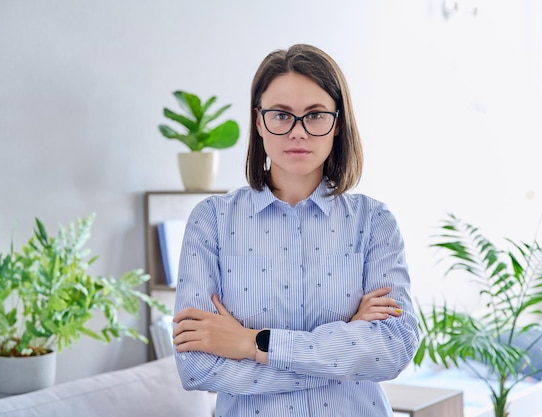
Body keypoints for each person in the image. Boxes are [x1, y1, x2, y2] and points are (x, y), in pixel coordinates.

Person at [172, 43, 419, 417]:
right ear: (259, 121)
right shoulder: (211, 221)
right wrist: (345, 346)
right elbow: (197, 367)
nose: (298, 132)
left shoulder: (374, 221)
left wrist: (251, 343)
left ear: (337, 123)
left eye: (316, 115)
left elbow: (394, 349)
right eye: (281, 115)